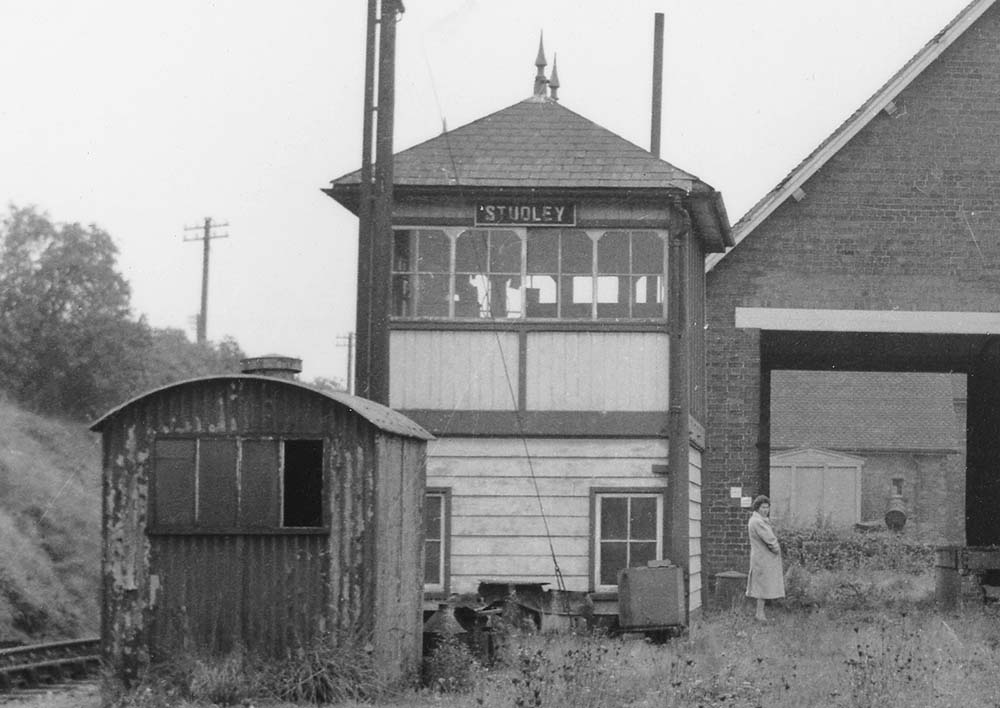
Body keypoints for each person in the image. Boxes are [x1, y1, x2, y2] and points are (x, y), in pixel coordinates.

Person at [746, 495, 784, 621]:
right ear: (757, 508)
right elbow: (770, 539)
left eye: (767, 507)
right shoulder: (758, 522)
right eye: (763, 507)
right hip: (763, 557)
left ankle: (760, 613)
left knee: (762, 585)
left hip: (760, 556)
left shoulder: (757, 520)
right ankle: (760, 614)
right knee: (762, 586)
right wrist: (777, 549)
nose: (765, 510)